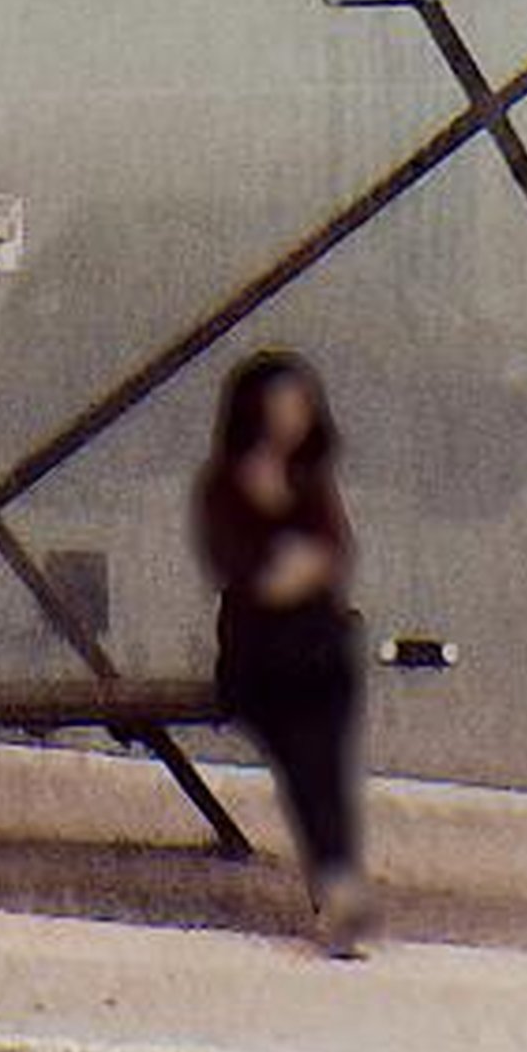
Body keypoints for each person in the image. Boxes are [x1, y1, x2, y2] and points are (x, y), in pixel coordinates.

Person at [193, 345, 371, 946]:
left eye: (301, 404)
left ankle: (337, 885)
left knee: (318, 753)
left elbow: (331, 556)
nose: (293, 416)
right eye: (282, 405)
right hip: (260, 660)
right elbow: (245, 573)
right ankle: (337, 883)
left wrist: (297, 571)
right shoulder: (223, 484)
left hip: (317, 655)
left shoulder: (311, 482)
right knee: (307, 750)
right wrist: (293, 570)